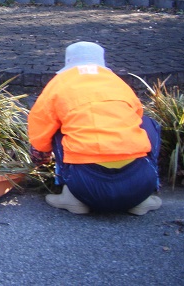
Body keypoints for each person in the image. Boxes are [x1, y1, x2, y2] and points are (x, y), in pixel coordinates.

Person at [28, 41, 162, 216]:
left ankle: (70, 197)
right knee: (147, 124)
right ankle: (144, 198)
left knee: (57, 129)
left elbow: (40, 124)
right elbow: (137, 113)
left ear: (69, 62)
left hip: (84, 185)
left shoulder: (59, 84)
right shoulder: (117, 83)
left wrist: (40, 157)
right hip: (138, 184)